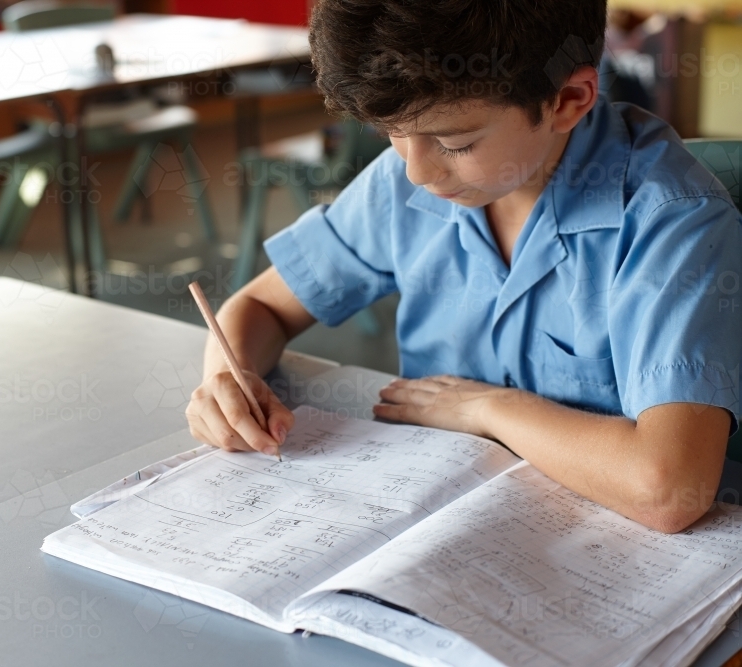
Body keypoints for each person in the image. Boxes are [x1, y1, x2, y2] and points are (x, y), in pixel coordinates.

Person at [185, 0, 742, 534]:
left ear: (568, 99)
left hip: (615, 554)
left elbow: (670, 490)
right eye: (393, 133)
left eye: (455, 142)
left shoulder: (671, 219)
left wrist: (489, 407)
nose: (416, 173)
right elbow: (261, 306)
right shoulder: (402, 180)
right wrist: (226, 381)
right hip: (441, 514)